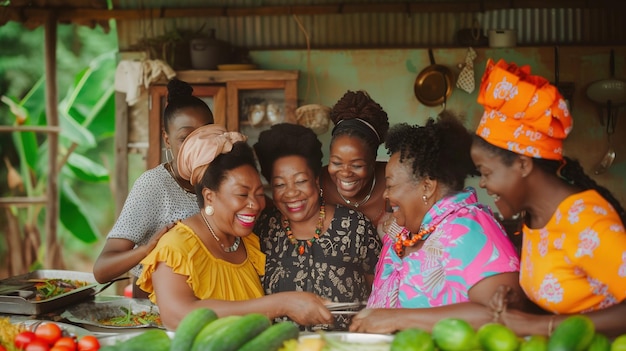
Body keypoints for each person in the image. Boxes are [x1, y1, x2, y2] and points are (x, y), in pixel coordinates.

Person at [470, 58, 626, 337]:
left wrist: (541, 326)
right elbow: (572, 296)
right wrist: (520, 304)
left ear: (522, 164)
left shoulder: (585, 219)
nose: (483, 183)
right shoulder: (536, 219)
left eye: (486, 172)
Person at [136, 124, 333, 330]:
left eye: (259, 193)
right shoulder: (175, 246)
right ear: (209, 196)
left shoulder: (249, 242)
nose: (255, 205)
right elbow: (177, 316)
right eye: (242, 194)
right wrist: (281, 304)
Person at [349, 112, 522, 333]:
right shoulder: (406, 231)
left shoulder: (469, 228)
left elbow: (506, 316)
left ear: (427, 187)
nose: (385, 195)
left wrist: (399, 319)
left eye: (390, 185)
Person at [253, 123, 382, 331]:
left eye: (300, 181)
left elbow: (381, 291)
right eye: (279, 184)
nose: (291, 193)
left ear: (316, 180)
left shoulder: (354, 226)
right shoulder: (263, 228)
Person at [93, 78, 214, 298]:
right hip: (159, 313)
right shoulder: (155, 186)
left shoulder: (221, 180)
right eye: (185, 138)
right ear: (167, 139)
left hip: (212, 310)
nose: (196, 145)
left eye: (204, 135)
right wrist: (146, 250)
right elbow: (102, 269)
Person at [320, 90, 390, 228]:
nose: (345, 173)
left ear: (373, 160)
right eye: (336, 163)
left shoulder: (392, 181)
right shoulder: (317, 183)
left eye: (357, 165)